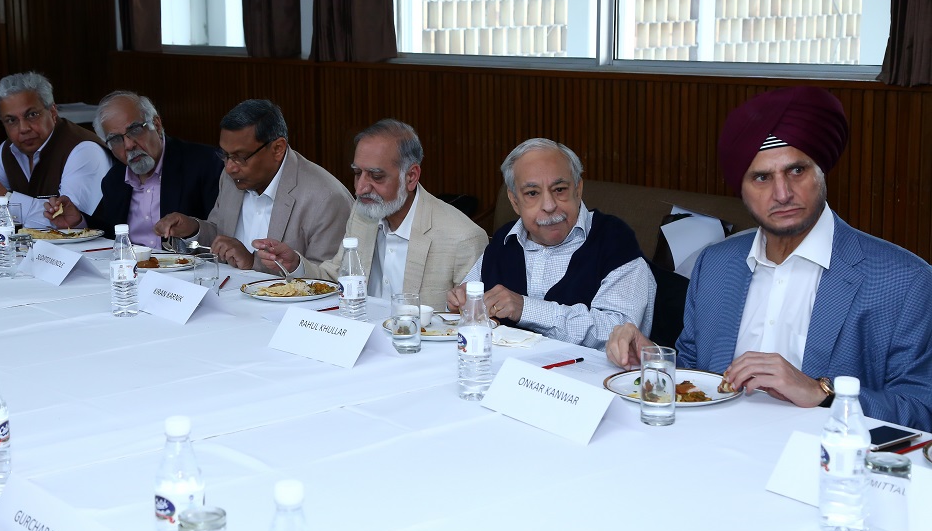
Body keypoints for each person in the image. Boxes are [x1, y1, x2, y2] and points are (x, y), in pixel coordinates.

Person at [606, 86, 932, 430]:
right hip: (711, 445)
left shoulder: (903, 279)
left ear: (821, 172)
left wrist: (821, 392)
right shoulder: (715, 264)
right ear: (741, 190)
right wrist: (653, 361)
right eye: (762, 177)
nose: (782, 193)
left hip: (822, 454)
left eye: (796, 171)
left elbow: (921, 410)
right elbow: (696, 372)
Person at [255, 119, 487, 310]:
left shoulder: (462, 238)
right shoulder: (363, 212)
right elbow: (336, 279)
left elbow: (472, 319)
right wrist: (295, 264)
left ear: (411, 176)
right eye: (358, 173)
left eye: (376, 177)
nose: (360, 188)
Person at [447, 138, 656, 349]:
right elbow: (465, 308)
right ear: (514, 201)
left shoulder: (615, 241)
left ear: (578, 190)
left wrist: (526, 309)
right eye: (532, 193)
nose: (549, 205)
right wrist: (462, 305)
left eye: (559, 189)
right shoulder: (503, 241)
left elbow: (618, 332)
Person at [155, 99, 352, 269]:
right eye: (225, 155)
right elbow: (220, 235)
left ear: (277, 149)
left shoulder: (326, 198)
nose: (230, 167)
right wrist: (193, 229)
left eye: (240, 157)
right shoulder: (232, 177)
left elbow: (325, 279)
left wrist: (252, 263)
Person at [43, 91, 223, 248]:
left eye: (135, 130)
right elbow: (111, 233)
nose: (129, 145)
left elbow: (221, 232)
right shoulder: (114, 180)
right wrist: (79, 222)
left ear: (157, 125)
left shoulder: (204, 163)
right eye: (116, 139)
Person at [0, 71, 109, 228]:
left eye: (32, 115)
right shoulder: (9, 149)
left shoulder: (84, 150)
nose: (23, 128)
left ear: (53, 112)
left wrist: (3, 197)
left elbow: (67, 222)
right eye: (11, 120)